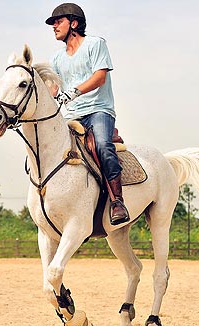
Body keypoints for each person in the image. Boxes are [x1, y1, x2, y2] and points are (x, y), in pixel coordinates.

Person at [46, 3, 129, 225]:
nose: (54, 26)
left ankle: (117, 201)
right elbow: (54, 89)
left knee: (102, 145)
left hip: (98, 110)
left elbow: (100, 77)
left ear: (73, 23)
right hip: (72, 115)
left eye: (58, 21)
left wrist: (72, 92)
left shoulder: (95, 44)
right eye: (53, 23)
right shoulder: (56, 59)